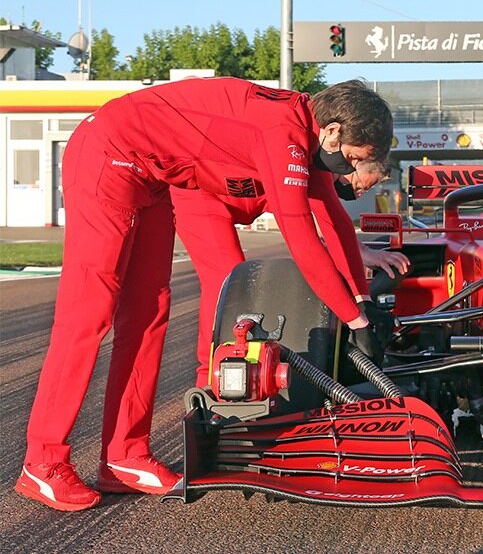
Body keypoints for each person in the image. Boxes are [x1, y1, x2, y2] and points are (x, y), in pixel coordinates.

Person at [17, 77, 393, 512]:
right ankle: (42, 460)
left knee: (149, 312)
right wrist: (354, 320)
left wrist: (362, 302)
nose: (347, 170)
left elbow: (334, 222)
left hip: (155, 179)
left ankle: (124, 455)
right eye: (350, 159)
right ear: (332, 130)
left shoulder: (306, 131)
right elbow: (302, 237)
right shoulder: (284, 133)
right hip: (108, 153)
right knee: (89, 313)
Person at [171, 161, 410, 387]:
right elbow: (314, 235)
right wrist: (356, 310)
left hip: (243, 189)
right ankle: (209, 380)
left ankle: (252, 372)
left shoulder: (318, 170)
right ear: (351, 161)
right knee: (227, 283)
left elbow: (328, 221)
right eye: (361, 186)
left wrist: (361, 269)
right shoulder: (314, 164)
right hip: (200, 193)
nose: (358, 194)